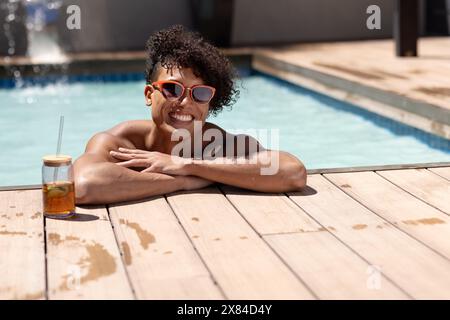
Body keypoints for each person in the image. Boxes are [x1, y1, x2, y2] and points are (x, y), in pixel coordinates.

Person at [74, 25, 306, 205]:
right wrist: (184, 181)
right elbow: (83, 185)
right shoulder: (121, 143)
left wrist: (187, 165)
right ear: (148, 94)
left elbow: (292, 172)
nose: (185, 103)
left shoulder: (216, 144)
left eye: (200, 93)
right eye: (172, 89)